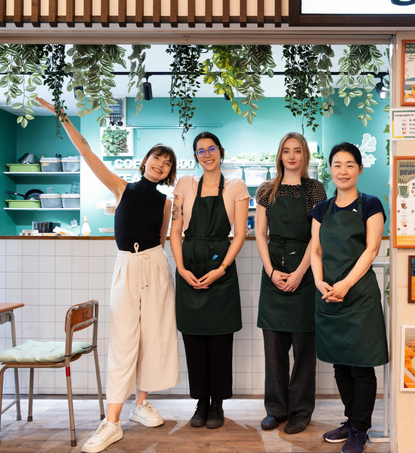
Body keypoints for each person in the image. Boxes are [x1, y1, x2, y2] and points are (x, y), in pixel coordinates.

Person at [37, 98, 180, 453]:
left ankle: (140, 404)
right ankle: (111, 422)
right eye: (157, 157)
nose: (161, 164)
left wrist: (158, 266)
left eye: (167, 163)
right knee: (124, 340)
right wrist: (62, 117)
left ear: (169, 173)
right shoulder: (121, 187)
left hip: (155, 265)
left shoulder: (167, 203)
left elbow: (162, 239)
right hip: (126, 266)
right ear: (145, 161)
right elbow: (86, 151)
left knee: (153, 337)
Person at [310, 142, 388, 453]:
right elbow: (316, 250)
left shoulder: (371, 205)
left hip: (359, 297)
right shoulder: (321, 209)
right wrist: (320, 282)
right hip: (329, 296)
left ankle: (360, 429)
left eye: (350, 165)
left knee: (361, 367)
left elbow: (372, 249)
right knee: (340, 365)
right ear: (330, 169)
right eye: (337, 165)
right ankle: (351, 420)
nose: (343, 171)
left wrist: (345, 284)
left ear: (359, 169)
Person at [170, 132, 250, 429]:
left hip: (221, 269)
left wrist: (222, 268)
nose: (207, 154)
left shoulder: (236, 186)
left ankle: (217, 404)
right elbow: (175, 230)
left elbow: (239, 234)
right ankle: (200, 402)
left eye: (211, 148)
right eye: (200, 150)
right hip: (188, 267)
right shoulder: (185, 184)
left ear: (221, 151)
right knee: (193, 340)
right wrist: (181, 268)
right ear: (195, 156)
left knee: (220, 342)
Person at [255, 133, 327, 434]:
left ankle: (300, 411)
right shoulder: (266, 189)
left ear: (305, 155)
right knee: (274, 351)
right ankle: (276, 410)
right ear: (280, 155)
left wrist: (299, 273)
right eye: (287, 151)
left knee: (303, 352)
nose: (292, 156)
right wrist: (271, 271)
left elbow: (317, 236)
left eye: (297, 151)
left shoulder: (315, 189)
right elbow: (260, 234)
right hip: (273, 269)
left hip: (305, 272)